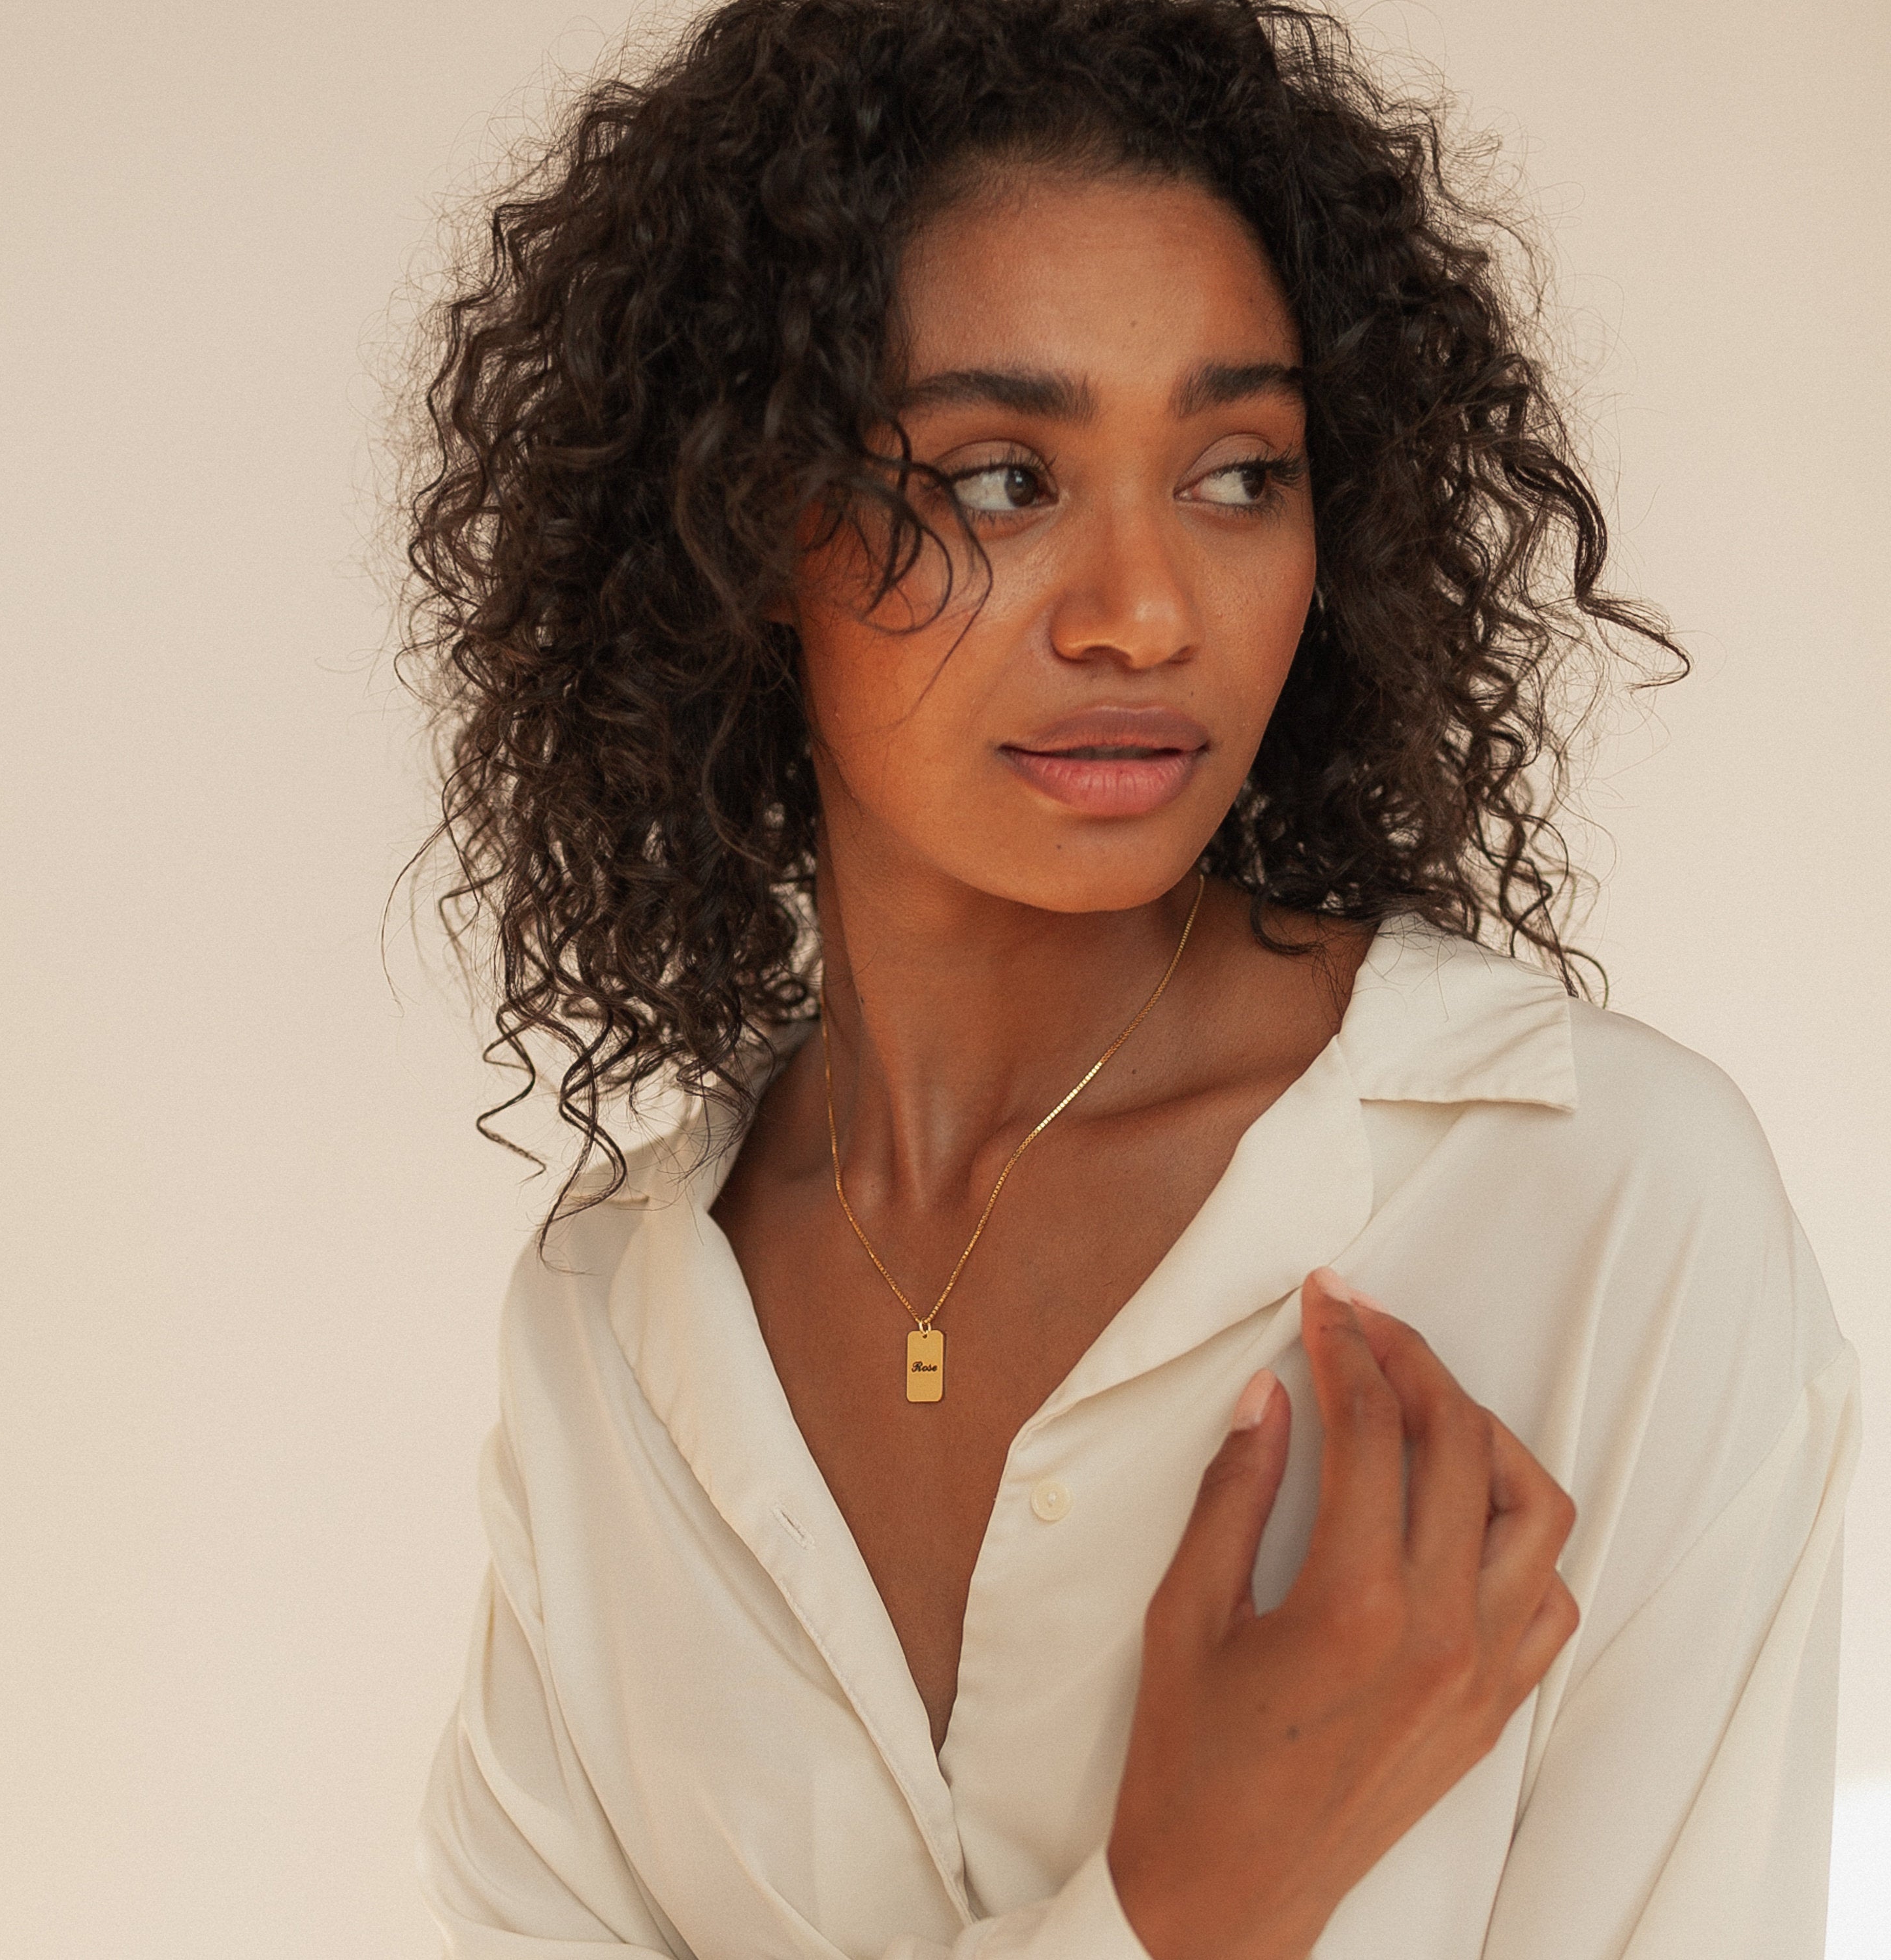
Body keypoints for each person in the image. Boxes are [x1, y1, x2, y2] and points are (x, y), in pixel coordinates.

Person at [399, 2, 1859, 1954]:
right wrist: (1189, 1907)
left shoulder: (1597, 1211)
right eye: (1003, 478)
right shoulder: (615, 1329)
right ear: (740, 519)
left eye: (1240, 471)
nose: (1148, 612)